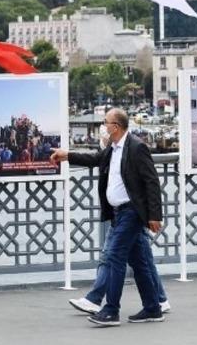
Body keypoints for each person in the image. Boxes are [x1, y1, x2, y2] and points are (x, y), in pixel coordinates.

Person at [52, 108, 163, 327]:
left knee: (114, 257)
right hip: (118, 213)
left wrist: (154, 215)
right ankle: (153, 308)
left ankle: (111, 310)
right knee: (140, 262)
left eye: (106, 122)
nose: (104, 126)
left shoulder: (136, 147)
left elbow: (152, 182)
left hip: (132, 212)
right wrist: (67, 156)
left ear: (117, 127)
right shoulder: (113, 149)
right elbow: (94, 159)